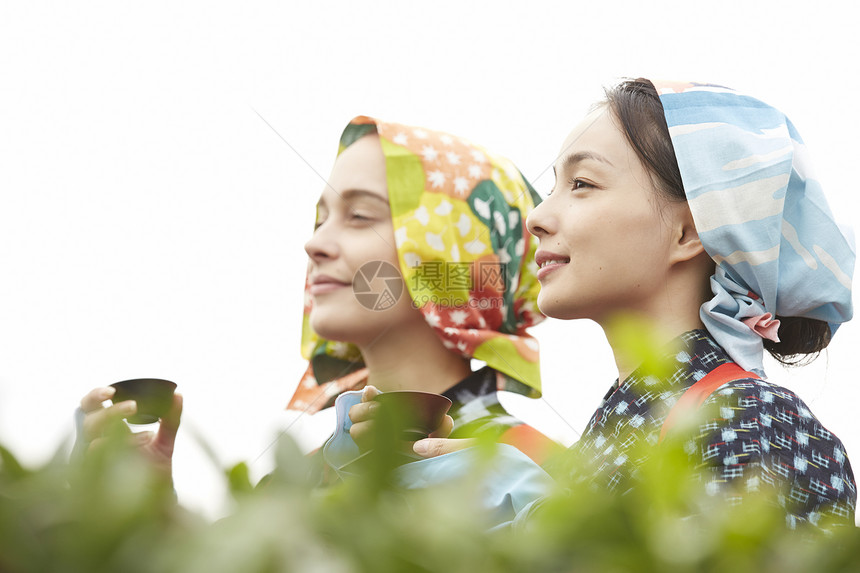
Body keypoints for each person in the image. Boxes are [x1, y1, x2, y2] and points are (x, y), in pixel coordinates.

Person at [414, 79, 856, 528]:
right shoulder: (617, 437)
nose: (537, 217)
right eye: (553, 188)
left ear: (687, 232)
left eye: (582, 183)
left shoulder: (751, 420)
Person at [75, 115, 559, 485]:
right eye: (320, 219)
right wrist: (152, 512)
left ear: (453, 259)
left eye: (360, 216)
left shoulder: (547, 474)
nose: (315, 244)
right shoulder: (290, 486)